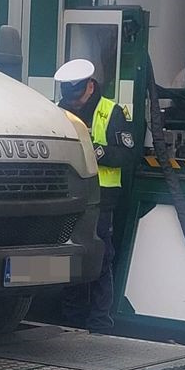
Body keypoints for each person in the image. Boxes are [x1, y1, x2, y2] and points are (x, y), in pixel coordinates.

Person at [54, 58, 138, 333]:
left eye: (77, 95)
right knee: (68, 258)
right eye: (69, 96)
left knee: (101, 258)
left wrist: (93, 148)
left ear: (90, 86)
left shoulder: (111, 112)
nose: (74, 102)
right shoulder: (58, 111)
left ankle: (100, 322)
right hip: (67, 198)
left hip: (102, 199)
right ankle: (71, 320)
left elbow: (126, 155)